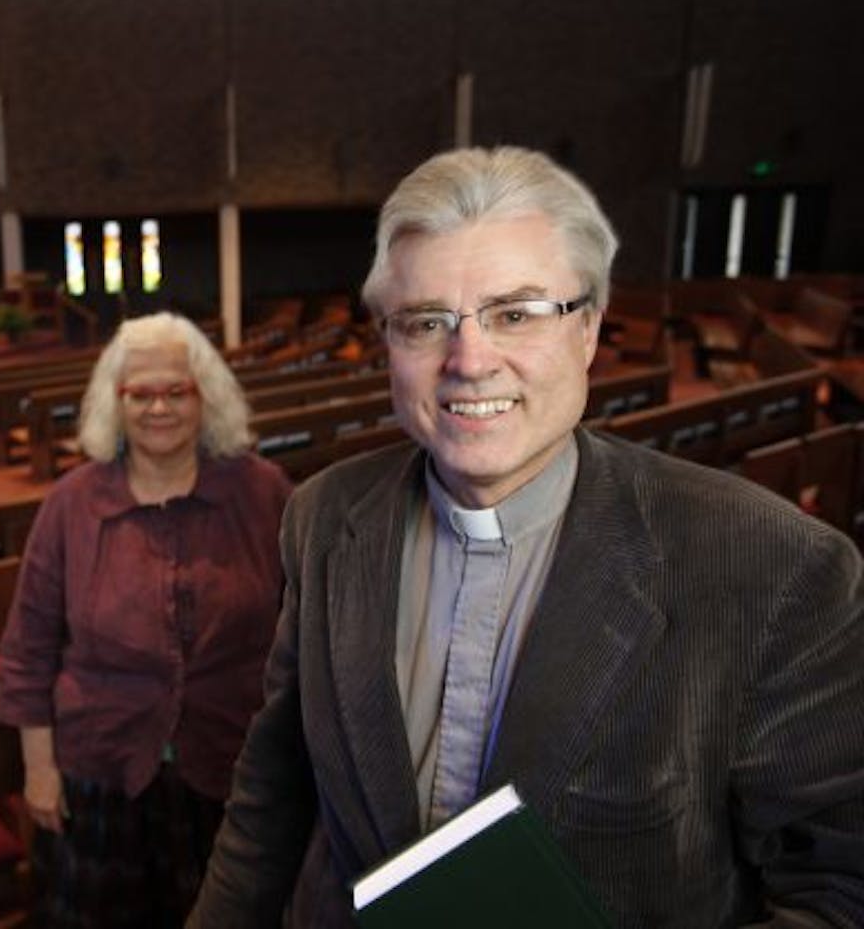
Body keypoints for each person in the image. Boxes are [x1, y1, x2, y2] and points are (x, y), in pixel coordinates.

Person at [189, 147, 864, 928]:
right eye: (427, 321)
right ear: (389, 344)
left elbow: (840, 888)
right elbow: (274, 788)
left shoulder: (774, 566)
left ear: (588, 330)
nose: (470, 360)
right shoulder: (323, 515)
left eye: (516, 312)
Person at [0, 311, 292, 929]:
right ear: (115, 400)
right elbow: (27, 648)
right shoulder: (71, 504)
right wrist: (39, 770)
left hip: (231, 766)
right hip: (101, 772)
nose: (159, 408)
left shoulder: (262, 493)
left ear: (204, 396)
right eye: (141, 393)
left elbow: (302, 634)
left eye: (176, 390)